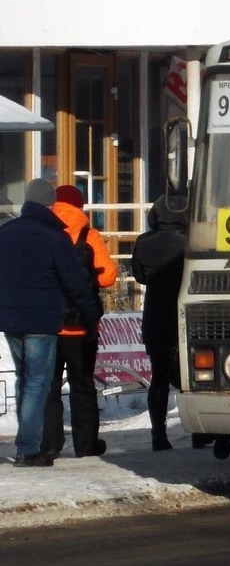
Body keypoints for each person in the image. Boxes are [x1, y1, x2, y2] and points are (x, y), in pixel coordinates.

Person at [0, 178, 102, 468]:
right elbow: (76, 283)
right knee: (36, 385)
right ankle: (28, 449)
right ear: (49, 204)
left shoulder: (5, 233)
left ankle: (28, 443)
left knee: (24, 380)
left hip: (9, 319)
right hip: (42, 321)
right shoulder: (54, 237)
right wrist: (91, 314)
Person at [40, 184, 118, 459]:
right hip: (81, 324)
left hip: (47, 323)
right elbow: (108, 276)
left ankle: (50, 444)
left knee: (48, 386)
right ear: (80, 207)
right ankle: (86, 446)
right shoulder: (89, 235)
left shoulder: (44, 234)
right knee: (82, 384)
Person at [131, 195, 188, 451]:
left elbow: (139, 276)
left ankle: (158, 434)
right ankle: (201, 434)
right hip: (187, 315)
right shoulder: (191, 242)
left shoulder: (143, 242)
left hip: (155, 314)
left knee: (159, 377)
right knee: (194, 378)